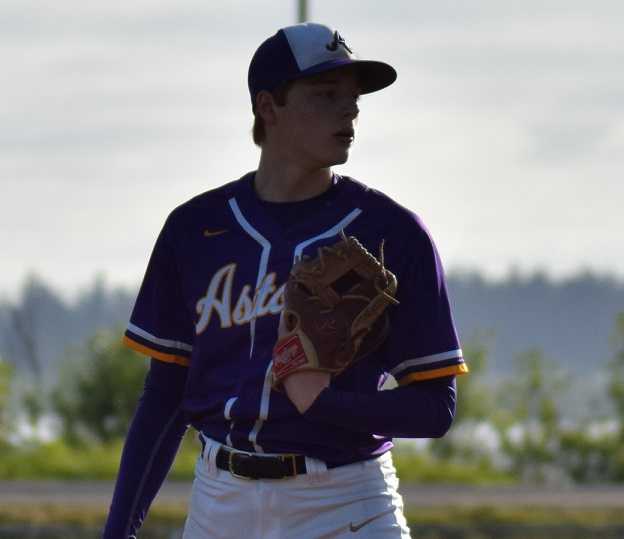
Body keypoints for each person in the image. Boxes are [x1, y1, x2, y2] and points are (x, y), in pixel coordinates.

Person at [103, 22, 468, 539]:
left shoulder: (392, 234)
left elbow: (435, 409)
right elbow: (165, 395)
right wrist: (118, 531)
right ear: (268, 107)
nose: (350, 110)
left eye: (353, 97)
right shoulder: (195, 229)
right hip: (219, 502)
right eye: (325, 95)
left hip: (346, 501)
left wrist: (326, 403)